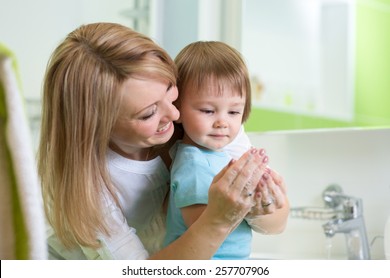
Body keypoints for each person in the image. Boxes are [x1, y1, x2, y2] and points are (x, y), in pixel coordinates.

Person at [38, 22, 288, 260]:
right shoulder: (90, 190)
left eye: (171, 91)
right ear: (97, 125)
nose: (175, 114)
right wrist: (219, 219)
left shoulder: (205, 118)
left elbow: (277, 223)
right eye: (148, 113)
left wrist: (261, 208)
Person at [163, 41, 288, 259]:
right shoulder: (193, 163)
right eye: (208, 110)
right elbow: (202, 227)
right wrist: (247, 201)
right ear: (177, 109)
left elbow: (276, 223)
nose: (222, 122)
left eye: (233, 112)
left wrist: (261, 198)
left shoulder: (222, 156)